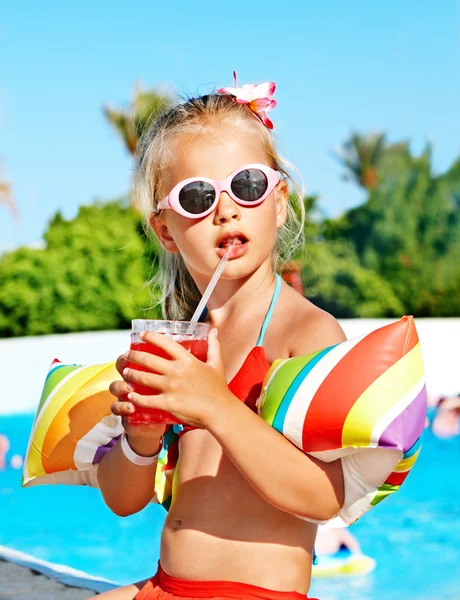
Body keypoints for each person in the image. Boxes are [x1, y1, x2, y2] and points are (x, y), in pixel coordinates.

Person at [95, 78, 346, 600]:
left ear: (278, 202)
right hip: (167, 586)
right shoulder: (181, 341)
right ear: (166, 231)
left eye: (248, 186)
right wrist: (141, 439)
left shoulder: (307, 332)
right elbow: (123, 501)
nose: (226, 210)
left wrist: (214, 404)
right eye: (198, 196)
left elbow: (323, 498)